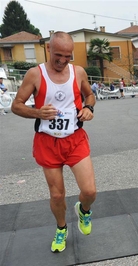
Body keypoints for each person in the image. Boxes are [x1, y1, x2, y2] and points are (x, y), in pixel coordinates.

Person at [11, 31, 96, 253]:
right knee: (57, 194)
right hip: (47, 142)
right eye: (58, 55)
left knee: (89, 191)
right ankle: (61, 228)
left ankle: (84, 211)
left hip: (75, 139)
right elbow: (16, 105)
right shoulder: (35, 74)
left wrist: (89, 108)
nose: (63, 60)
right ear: (48, 49)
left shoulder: (78, 72)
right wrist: (38, 112)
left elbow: (90, 95)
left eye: (68, 56)